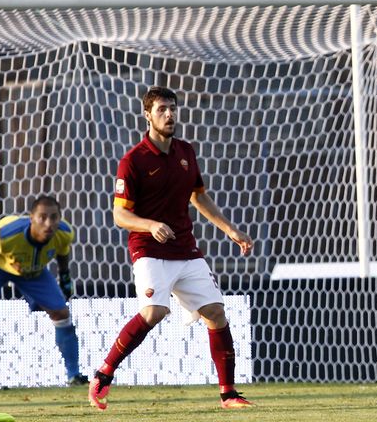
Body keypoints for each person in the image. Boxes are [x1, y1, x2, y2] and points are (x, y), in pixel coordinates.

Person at [88, 86, 254, 411]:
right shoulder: (133, 161)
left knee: (216, 313)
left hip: (185, 248)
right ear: (147, 114)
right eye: (162, 109)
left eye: (172, 108)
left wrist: (230, 230)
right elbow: (119, 214)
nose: (169, 114)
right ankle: (104, 375)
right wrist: (150, 225)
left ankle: (228, 394)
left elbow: (199, 196)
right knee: (154, 312)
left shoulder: (186, 152)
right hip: (148, 248)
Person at [0, 195, 87, 390]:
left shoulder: (64, 232)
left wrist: (65, 277)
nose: (49, 223)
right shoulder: (5, 233)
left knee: (61, 313)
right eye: (42, 217)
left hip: (32, 270)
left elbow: (63, 251)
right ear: (31, 218)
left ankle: (74, 375)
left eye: (54, 217)